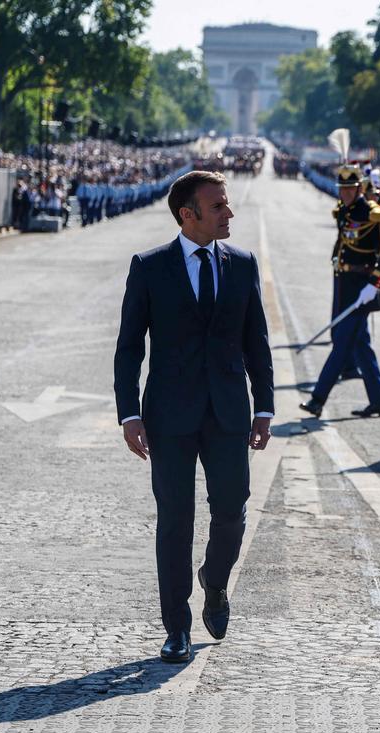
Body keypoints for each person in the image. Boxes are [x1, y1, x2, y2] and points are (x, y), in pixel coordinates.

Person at [113, 170, 275, 663]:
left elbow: (257, 343)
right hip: (169, 415)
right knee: (175, 521)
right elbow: (128, 349)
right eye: (219, 206)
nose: (229, 214)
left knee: (232, 510)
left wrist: (264, 405)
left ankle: (216, 580)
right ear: (189, 215)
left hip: (227, 413)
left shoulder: (243, 265)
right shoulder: (150, 266)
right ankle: (177, 626)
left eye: (227, 205)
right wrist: (129, 414)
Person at [301, 164, 380, 419]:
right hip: (343, 283)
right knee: (361, 346)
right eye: (342, 189)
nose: (344, 193)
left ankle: (317, 399)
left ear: (359, 188)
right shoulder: (344, 211)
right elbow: (343, 241)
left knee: (342, 344)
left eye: (349, 189)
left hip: (362, 287)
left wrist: (374, 286)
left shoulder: (371, 214)